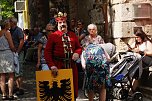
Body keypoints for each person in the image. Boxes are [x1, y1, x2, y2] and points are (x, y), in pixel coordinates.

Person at [44, 12, 82, 99]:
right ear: (57, 24)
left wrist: (77, 53)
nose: (62, 24)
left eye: (64, 22)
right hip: (58, 66)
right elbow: (47, 52)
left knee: (72, 90)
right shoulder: (53, 36)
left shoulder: (73, 35)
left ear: (67, 24)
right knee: (60, 92)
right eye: (60, 23)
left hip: (71, 66)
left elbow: (79, 47)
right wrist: (52, 65)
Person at [80, 24, 110, 101]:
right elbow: (83, 50)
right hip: (94, 65)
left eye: (93, 29)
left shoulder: (99, 38)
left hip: (95, 65)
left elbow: (104, 49)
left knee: (95, 85)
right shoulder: (86, 39)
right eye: (90, 29)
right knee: (95, 85)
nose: (91, 31)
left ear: (96, 30)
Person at [0, 19, 16, 100]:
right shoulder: (7, 33)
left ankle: (3, 94)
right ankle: (10, 94)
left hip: (0, 55)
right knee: (11, 75)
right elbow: (11, 45)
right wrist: (15, 51)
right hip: (8, 54)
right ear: (6, 25)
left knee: (2, 75)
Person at [9, 17, 24, 96]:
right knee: (15, 70)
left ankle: (20, 88)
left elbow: (21, 41)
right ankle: (17, 87)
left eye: (9, 21)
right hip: (13, 52)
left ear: (13, 23)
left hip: (18, 52)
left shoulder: (18, 30)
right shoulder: (10, 31)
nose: (8, 23)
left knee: (19, 69)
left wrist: (18, 51)